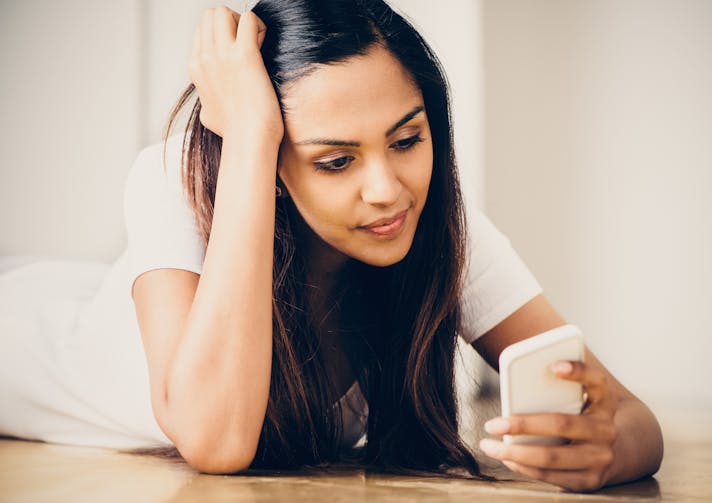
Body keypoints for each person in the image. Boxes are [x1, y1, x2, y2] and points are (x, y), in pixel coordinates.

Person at [0, 0, 663, 492]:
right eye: (336, 161)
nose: (387, 190)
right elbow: (217, 437)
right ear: (274, 161)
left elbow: (633, 417)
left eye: (407, 140)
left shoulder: (431, 222)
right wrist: (254, 137)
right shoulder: (174, 177)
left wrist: (612, 447)